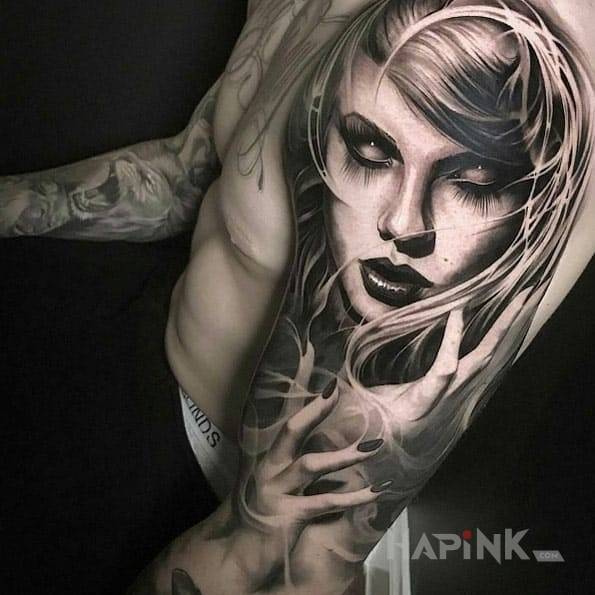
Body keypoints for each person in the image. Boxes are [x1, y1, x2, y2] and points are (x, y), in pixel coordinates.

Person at [1, 1, 593, 594]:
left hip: (211, 494)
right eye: (368, 151)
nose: (402, 223)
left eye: (471, 182)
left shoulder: (491, 41)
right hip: (141, 356)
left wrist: (259, 533)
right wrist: (17, 203)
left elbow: (277, 553)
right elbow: (193, 169)